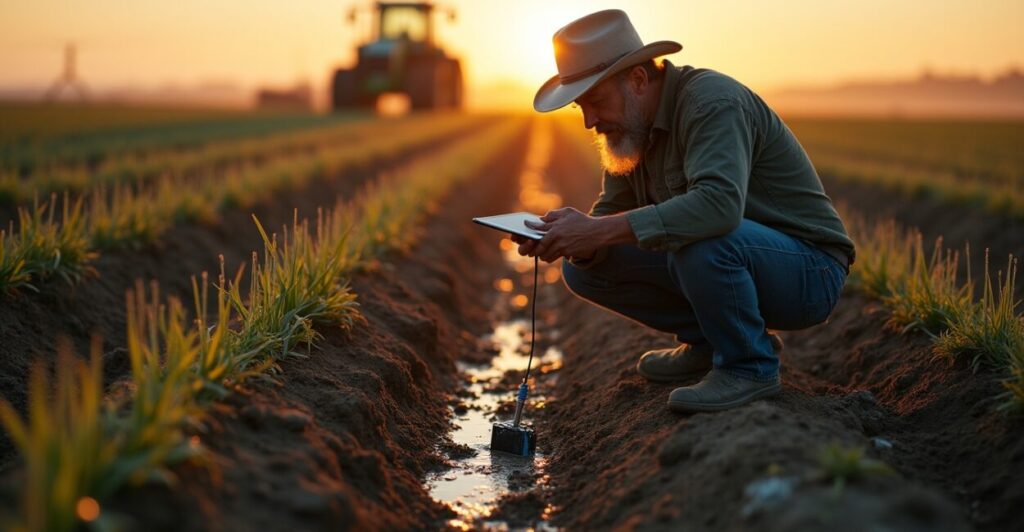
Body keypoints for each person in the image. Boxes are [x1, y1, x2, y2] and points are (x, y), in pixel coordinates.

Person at [514, 9, 855, 413]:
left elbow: (719, 208)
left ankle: (749, 365)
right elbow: (610, 214)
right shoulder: (631, 130)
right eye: (579, 108)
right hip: (734, 259)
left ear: (637, 80)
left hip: (808, 271)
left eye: (596, 102)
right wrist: (571, 237)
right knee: (584, 267)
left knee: (702, 241)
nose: (589, 121)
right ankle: (710, 342)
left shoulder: (711, 103)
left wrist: (597, 231)